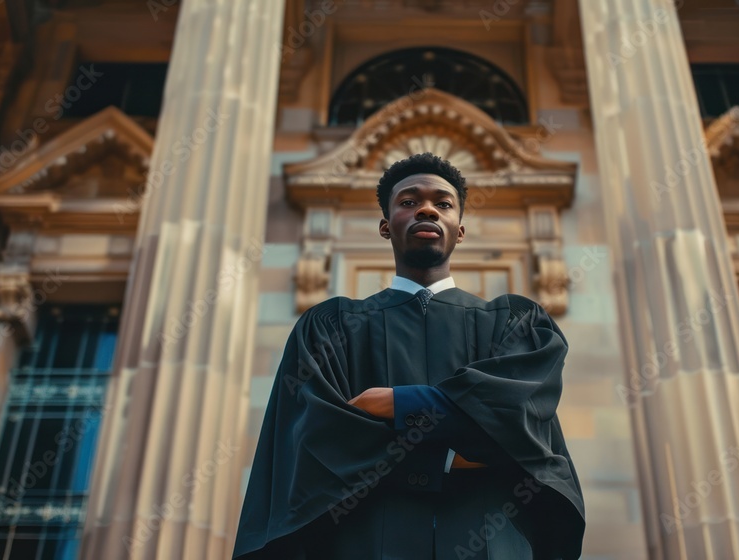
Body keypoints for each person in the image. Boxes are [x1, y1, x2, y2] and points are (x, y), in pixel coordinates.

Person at [233, 152, 584, 559]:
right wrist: (456, 453)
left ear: (460, 230)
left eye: (443, 203)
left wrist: (399, 404)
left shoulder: (514, 324)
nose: (427, 210)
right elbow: (317, 441)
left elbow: (520, 420)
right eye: (409, 201)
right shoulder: (331, 328)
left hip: (493, 540)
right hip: (365, 543)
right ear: (386, 225)